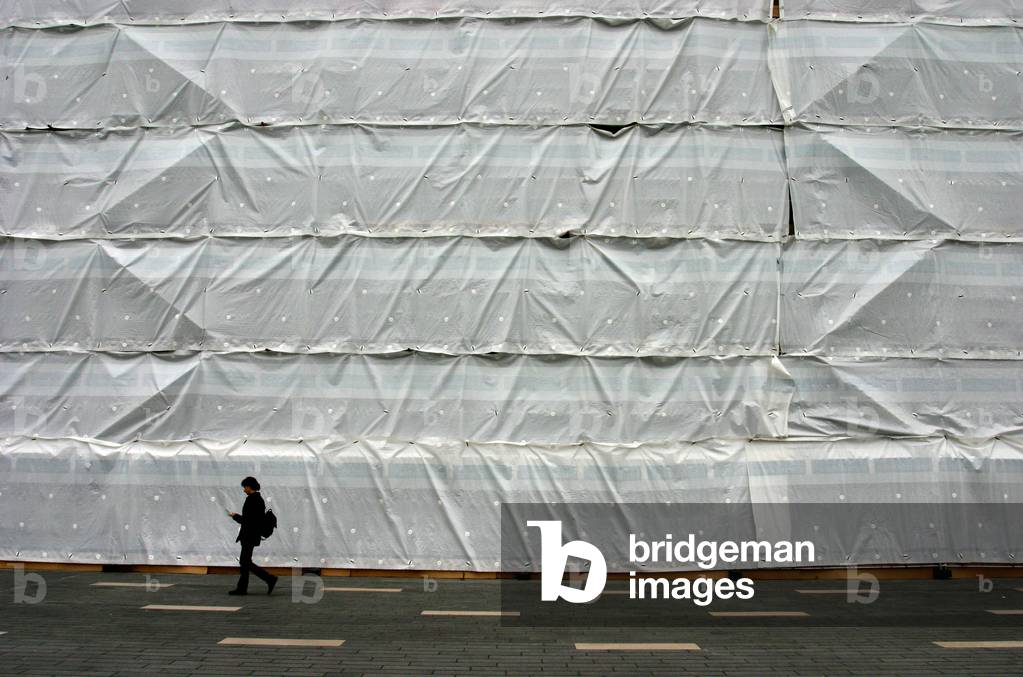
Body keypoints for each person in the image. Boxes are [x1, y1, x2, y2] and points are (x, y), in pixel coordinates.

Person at [227, 476, 278, 595]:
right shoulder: (257, 499)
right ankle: (243, 588)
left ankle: (269, 579)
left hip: (249, 535)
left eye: (244, 487)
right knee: (245, 561)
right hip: (251, 535)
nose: (244, 489)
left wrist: (235, 516)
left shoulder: (253, 500)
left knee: (245, 562)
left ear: (249, 486)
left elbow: (249, 520)